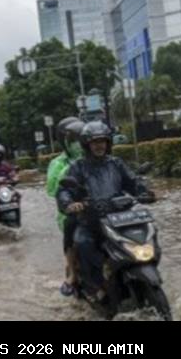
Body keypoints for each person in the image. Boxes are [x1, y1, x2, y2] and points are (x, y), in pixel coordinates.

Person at [56, 121, 155, 303]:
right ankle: (96, 286)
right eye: (95, 142)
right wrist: (70, 203)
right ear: (87, 144)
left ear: (108, 143)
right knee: (83, 242)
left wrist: (144, 192)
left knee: (146, 234)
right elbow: (63, 190)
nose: (99, 145)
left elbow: (132, 182)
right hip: (91, 220)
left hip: (119, 218)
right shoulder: (78, 167)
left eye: (102, 141)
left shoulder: (116, 163)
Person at [45, 117, 86, 297]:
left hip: (99, 206)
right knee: (72, 230)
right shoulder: (58, 163)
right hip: (71, 211)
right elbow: (52, 189)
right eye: (73, 141)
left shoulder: (94, 155)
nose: (78, 144)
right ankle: (73, 274)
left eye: (80, 139)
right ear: (65, 142)